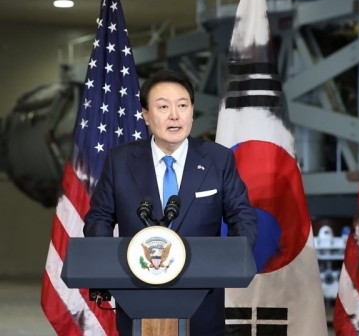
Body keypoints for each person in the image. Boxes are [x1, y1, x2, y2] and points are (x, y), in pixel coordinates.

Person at [84, 69, 257, 336]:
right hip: (137, 298)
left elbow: (242, 216)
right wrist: (105, 269)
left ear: (192, 111)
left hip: (202, 304)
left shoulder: (218, 160)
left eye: (182, 105)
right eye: (163, 106)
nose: (174, 115)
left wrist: (234, 261)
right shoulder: (120, 161)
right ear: (145, 115)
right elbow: (99, 218)